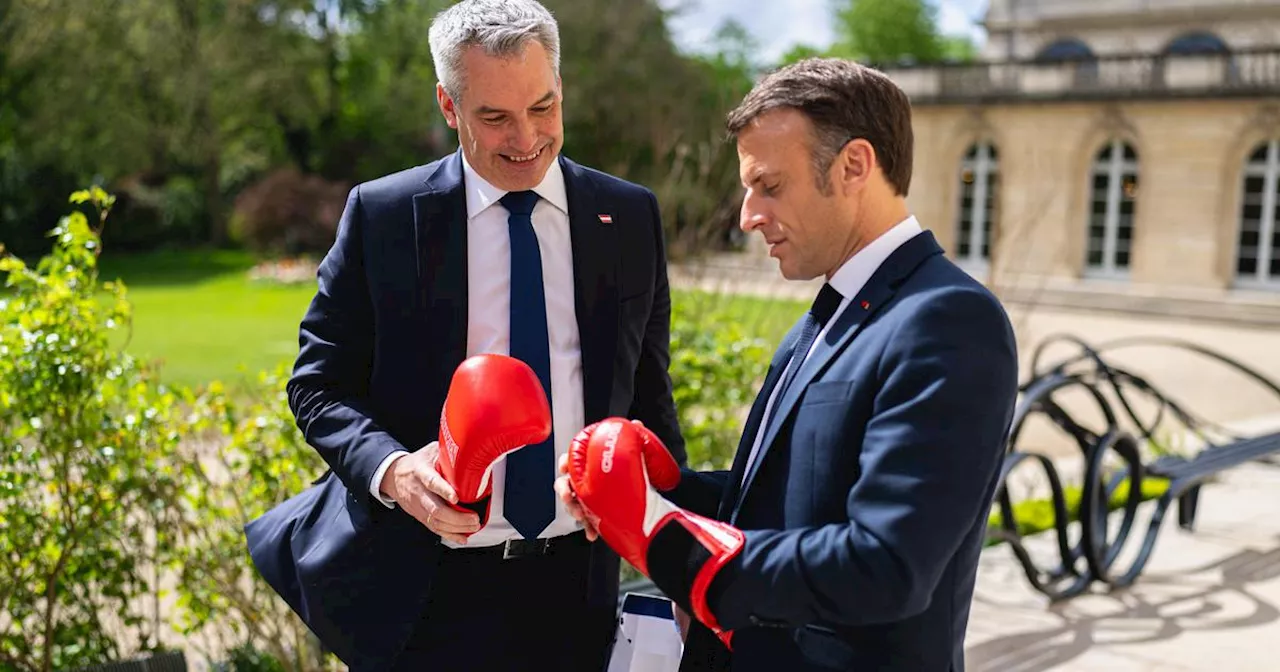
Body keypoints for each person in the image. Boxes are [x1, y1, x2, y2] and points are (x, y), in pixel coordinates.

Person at [242, 1, 685, 670]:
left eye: (544, 107)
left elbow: (650, 399)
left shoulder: (627, 216)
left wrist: (668, 545)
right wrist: (394, 472)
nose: (526, 138)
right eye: (495, 117)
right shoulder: (384, 216)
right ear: (449, 107)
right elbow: (319, 385)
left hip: (579, 588)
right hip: (422, 594)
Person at [557, 57, 1020, 671]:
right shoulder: (834, 307)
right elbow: (794, 498)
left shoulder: (949, 319)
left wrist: (666, 542)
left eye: (770, 187)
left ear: (854, 165)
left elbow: (885, 565)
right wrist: (656, 491)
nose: (748, 216)